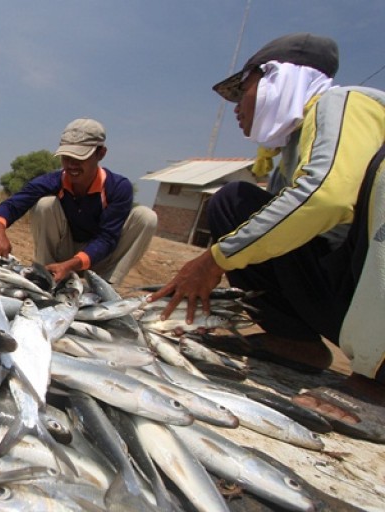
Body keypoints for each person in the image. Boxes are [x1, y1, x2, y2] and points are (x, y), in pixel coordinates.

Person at [149, 33, 385, 442]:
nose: (237, 108)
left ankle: (379, 386)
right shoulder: (291, 149)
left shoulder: (344, 103)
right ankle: (296, 340)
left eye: (242, 91)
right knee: (236, 202)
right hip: (354, 292)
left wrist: (213, 260)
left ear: (279, 78)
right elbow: (290, 223)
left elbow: (326, 195)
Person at [0, 118, 157, 285]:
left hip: (99, 257)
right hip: (63, 254)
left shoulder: (117, 187)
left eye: (80, 158)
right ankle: (46, 276)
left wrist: (72, 264)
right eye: (66, 157)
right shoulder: (54, 181)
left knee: (146, 217)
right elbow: (14, 204)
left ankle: (105, 285)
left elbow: (107, 238)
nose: (72, 165)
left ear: (101, 154)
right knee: (45, 205)